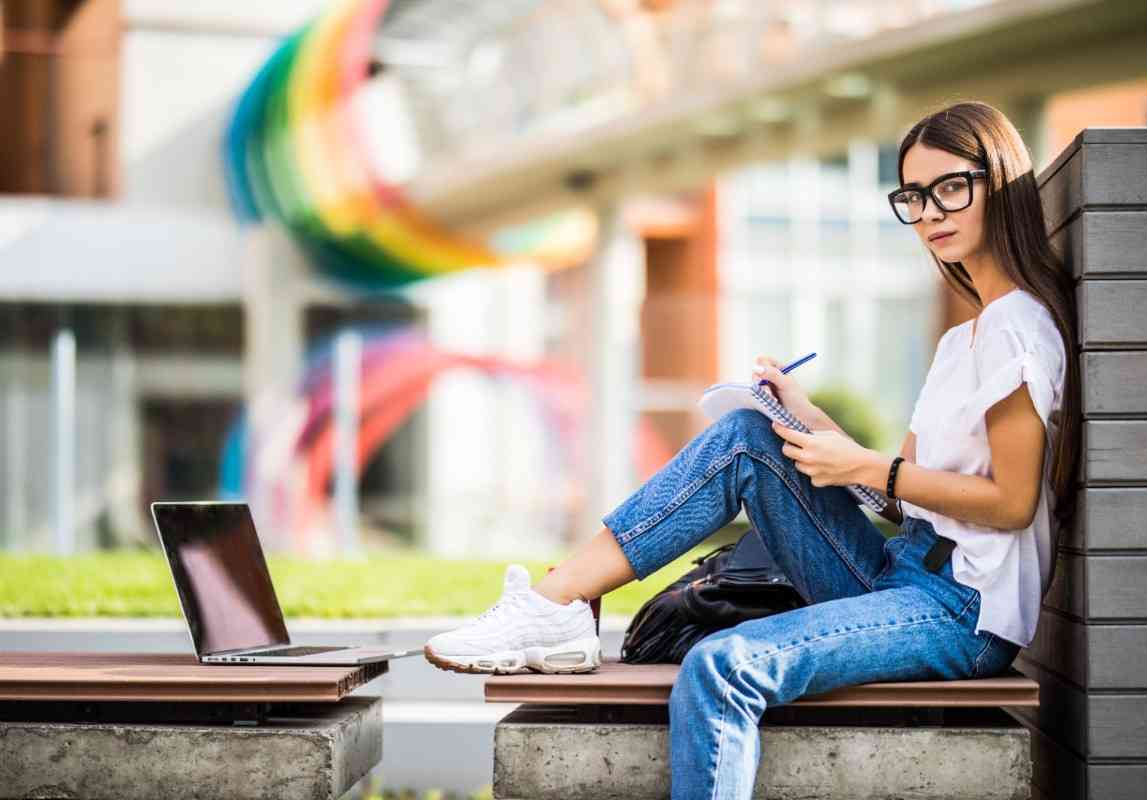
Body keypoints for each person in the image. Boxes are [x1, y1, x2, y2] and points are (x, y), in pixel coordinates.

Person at [423, 100, 1081, 799]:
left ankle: (551, 608)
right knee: (747, 436)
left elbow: (1012, 503)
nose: (931, 213)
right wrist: (810, 422)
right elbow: (898, 492)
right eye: (913, 197)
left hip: (961, 612)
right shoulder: (964, 338)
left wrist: (864, 465)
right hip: (904, 570)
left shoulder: (1015, 328)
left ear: (1000, 182)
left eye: (952, 187)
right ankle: (556, 604)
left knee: (722, 666)